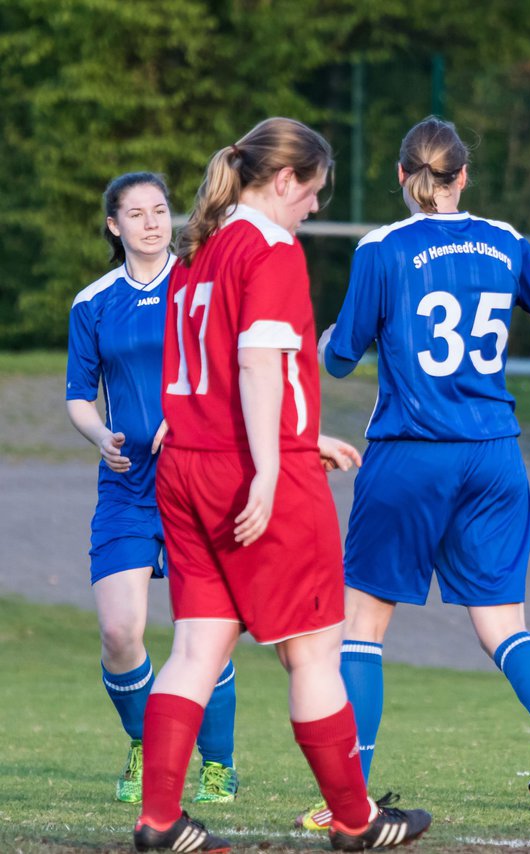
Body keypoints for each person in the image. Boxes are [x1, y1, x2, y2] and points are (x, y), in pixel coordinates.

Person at [132, 117, 432, 852]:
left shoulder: (201, 246)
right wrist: (273, 466)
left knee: (197, 647)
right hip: (249, 471)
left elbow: (222, 370)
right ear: (285, 179)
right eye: (313, 192)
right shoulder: (269, 246)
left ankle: (160, 817)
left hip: (188, 465)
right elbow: (258, 365)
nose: (314, 207)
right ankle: (356, 823)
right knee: (314, 651)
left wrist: (298, 438)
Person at [310, 115, 530, 835]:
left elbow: (341, 357)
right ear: (463, 175)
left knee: (362, 627)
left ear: (404, 178)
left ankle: (354, 798)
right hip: (494, 453)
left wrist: (316, 343)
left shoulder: (383, 248)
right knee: (505, 626)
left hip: (411, 451)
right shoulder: (505, 240)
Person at [66, 172, 240, 808]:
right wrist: (100, 436)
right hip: (127, 489)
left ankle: (218, 763)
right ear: (114, 226)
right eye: (135, 214)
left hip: (198, 480)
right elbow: (79, 398)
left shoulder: (201, 284)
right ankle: (145, 741)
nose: (151, 222)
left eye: (160, 210)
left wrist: (190, 415)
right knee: (120, 632)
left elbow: (229, 368)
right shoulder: (94, 302)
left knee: (204, 630)